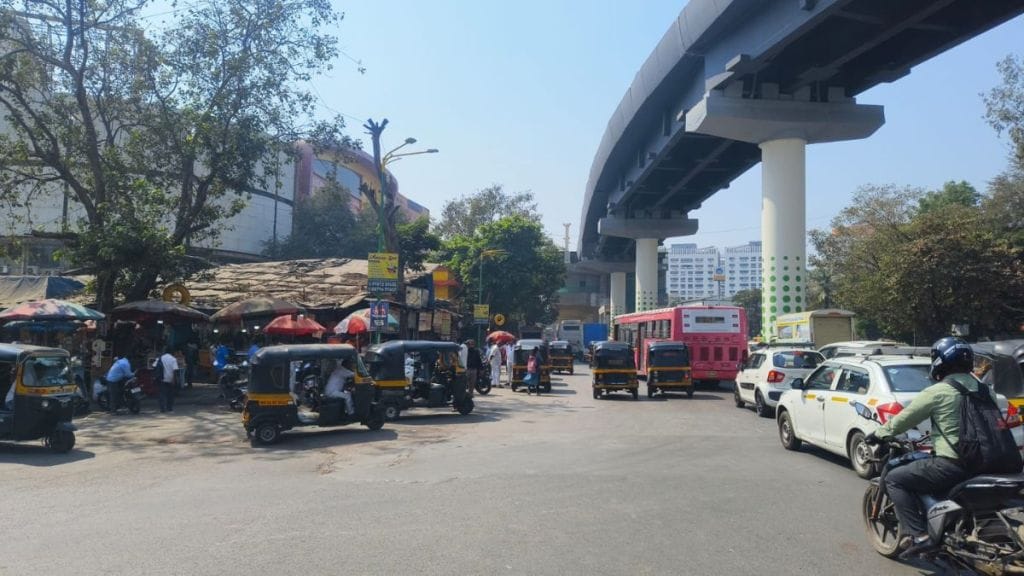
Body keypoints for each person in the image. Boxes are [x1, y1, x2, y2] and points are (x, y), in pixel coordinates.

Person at [865, 336, 996, 557]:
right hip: (989, 463)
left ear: (940, 362)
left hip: (953, 465)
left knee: (895, 479)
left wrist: (879, 434)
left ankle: (919, 535)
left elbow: (903, 420)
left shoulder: (938, 391)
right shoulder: (984, 390)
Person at [156, 346, 179, 413]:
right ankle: (169, 408)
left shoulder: (160, 358)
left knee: (162, 394)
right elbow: (175, 370)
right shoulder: (173, 359)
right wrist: (174, 380)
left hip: (162, 378)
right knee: (170, 395)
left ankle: (162, 408)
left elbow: (154, 366)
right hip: (170, 379)